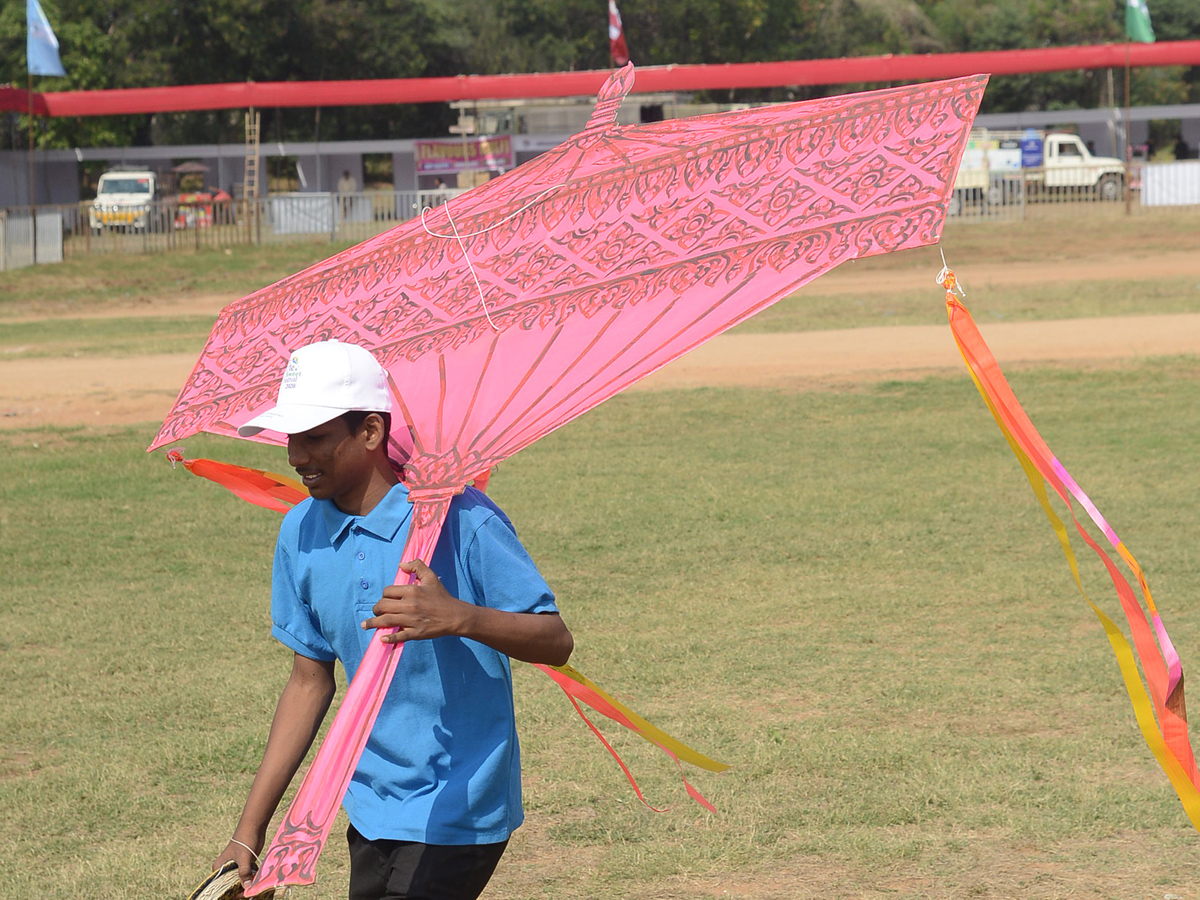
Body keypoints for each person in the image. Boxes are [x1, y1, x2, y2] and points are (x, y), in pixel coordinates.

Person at [212, 339, 573, 900]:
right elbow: (308, 680)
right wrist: (249, 831)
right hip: (370, 800)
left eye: (315, 437)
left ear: (372, 432)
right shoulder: (300, 534)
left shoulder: (460, 517)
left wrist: (459, 617)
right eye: (291, 438)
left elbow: (556, 640)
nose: (294, 457)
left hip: (460, 796)